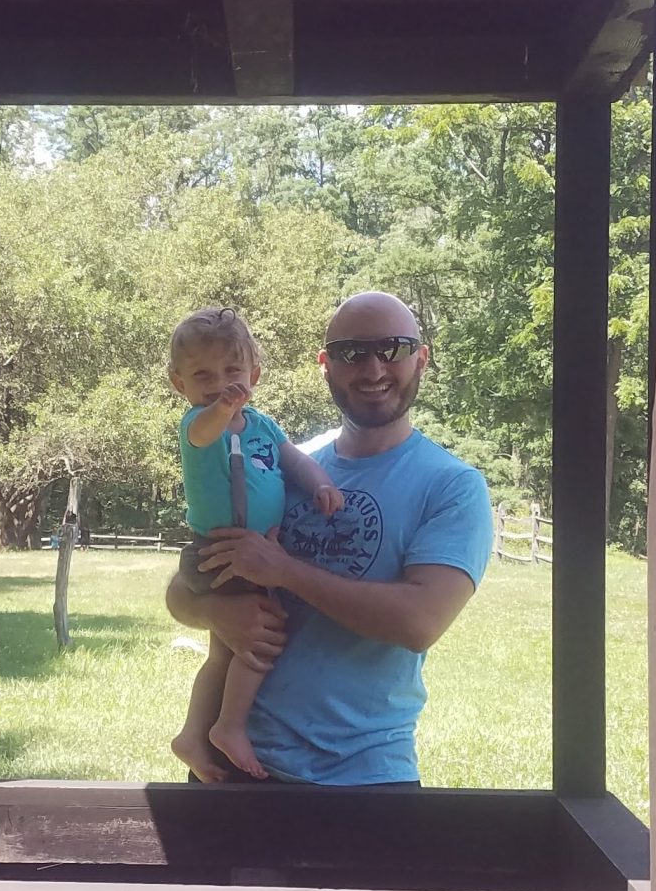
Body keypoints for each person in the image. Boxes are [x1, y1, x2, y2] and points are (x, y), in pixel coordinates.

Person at [165, 292, 493, 785]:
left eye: (394, 348)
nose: (374, 368)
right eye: (351, 352)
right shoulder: (280, 462)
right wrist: (215, 612)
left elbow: (418, 622)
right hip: (234, 769)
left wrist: (284, 571)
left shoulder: (451, 485)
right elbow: (179, 595)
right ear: (325, 365)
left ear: (421, 358)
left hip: (362, 776)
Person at [166, 307, 344, 781]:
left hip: (251, 554)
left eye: (232, 372)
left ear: (255, 376)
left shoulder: (264, 427)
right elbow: (206, 432)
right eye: (202, 374)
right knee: (265, 633)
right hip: (222, 551)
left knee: (224, 650)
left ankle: (192, 734)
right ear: (179, 383)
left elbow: (293, 461)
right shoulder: (197, 423)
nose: (219, 383)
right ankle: (229, 726)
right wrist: (222, 408)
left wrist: (321, 482)